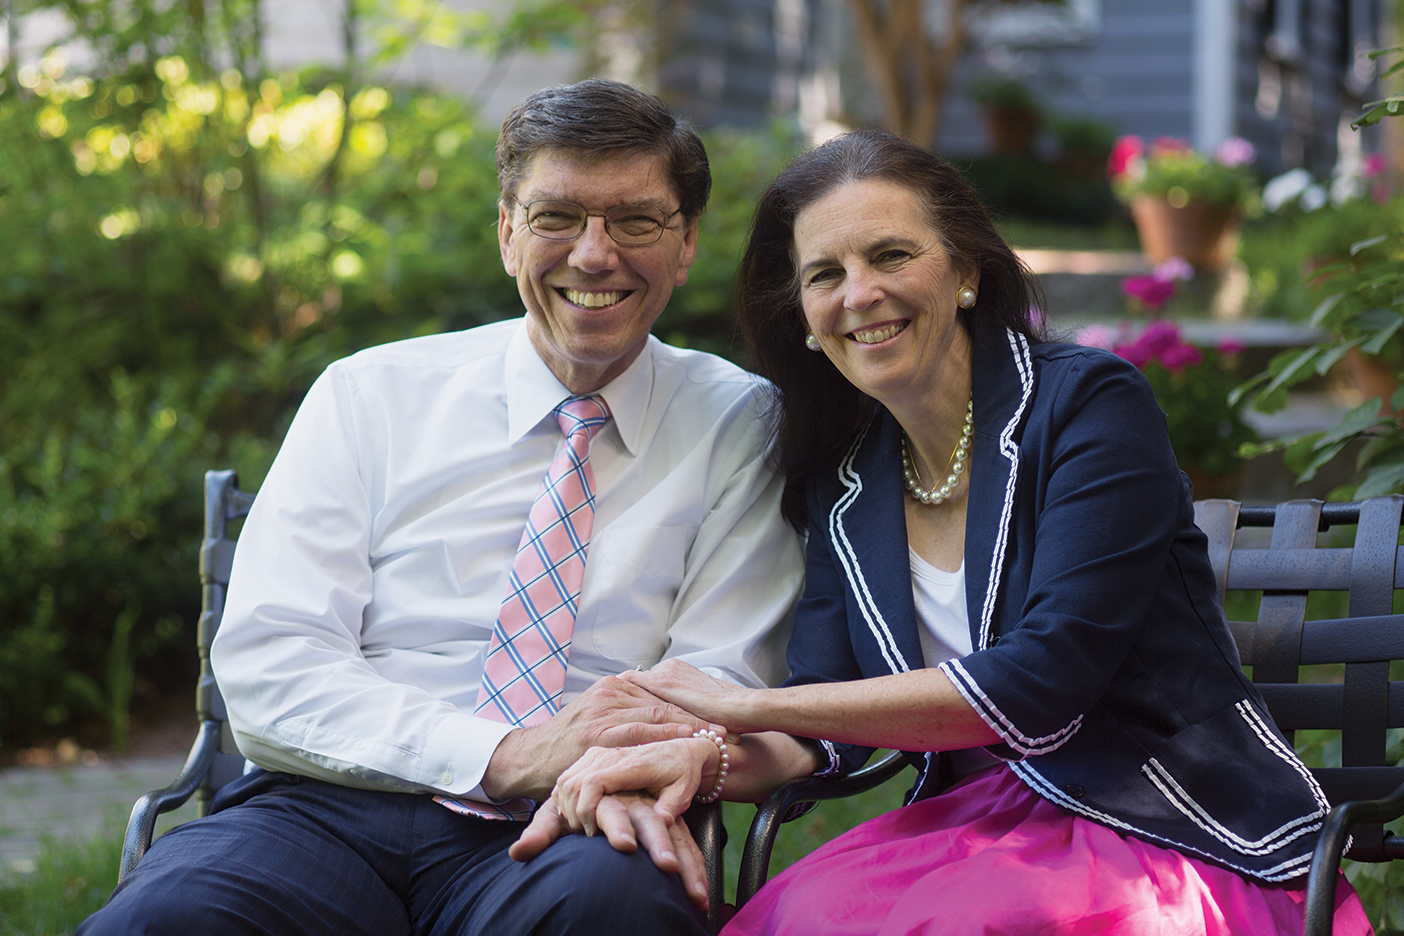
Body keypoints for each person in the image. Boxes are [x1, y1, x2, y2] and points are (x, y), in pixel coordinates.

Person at [512, 129, 1375, 935]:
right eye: (825, 274)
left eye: (890, 255)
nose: (860, 294)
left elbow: (1043, 679)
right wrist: (695, 755)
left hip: (1168, 821)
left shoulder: (1087, 407)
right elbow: (820, 724)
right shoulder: (845, 477)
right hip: (984, 827)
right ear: (805, 316)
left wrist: (738, 703)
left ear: (964, 271)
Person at [78, 78, 804, 936]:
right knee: (170, 918)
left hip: (580, 811)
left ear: (684, 245)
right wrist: (503, 755)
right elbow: (275, 660)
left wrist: (616, 766)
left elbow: (720, 680)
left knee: (620, 910)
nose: (594, 254)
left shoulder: (741, 423)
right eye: (556, 217)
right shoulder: (371, 393)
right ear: (507, 232)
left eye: (636, 221)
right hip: (327, 803)